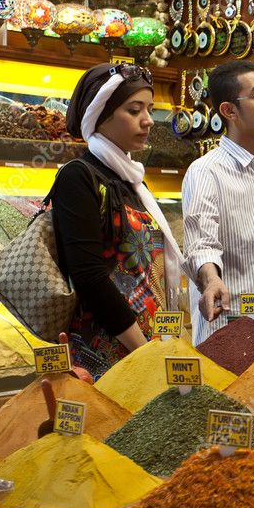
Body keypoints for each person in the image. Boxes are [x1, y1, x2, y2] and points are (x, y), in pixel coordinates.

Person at [53, 62, 184, 378]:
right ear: (100, 115)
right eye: (134, 110)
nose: (148, 121)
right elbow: (89, 277)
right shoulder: (77, 177)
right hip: (109, 351)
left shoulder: (132, 180)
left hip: (152, 345)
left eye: (149, 109)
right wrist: (142, 350)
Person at [182, 60, 254, 345]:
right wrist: (212, 280)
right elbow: (201, 243)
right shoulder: (206, 171)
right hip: (227, 334)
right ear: (229, 111)